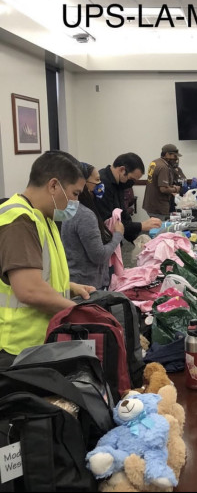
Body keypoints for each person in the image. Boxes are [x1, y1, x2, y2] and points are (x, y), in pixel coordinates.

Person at [0, 150, 96, 371]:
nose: (76, 201)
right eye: (74, 193)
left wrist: (68, 287)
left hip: (39, 342)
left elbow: (36, 274)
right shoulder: (18, 221)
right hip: (17, 350)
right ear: (53, 186)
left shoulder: (43, 217)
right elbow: (29, 290)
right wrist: (78, 313)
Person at [61, 162, 125, 290]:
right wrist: (118, 235)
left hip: (74, 279)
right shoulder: (85, 215)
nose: (100, 184)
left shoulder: (70, 209)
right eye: (96, 180)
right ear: (82, 183)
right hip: (88, 286)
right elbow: (99, 256)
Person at [95, 152, 161, 243]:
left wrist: (137, 240)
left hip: (114, 239)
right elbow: (109, 223)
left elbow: (123, 215)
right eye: (132, 179)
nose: (131, 183)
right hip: (102, 239)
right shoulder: (102, 184)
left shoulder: (119, 183)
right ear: (122, 170)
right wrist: (141, 225)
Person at [142, 144, 184, 220]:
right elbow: (163, 189)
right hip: (159, 206)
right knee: (161, 229)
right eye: (174, 156)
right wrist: (175, 189)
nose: (176, 158)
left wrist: (171, 187)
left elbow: (156, 182)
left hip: (150, 204)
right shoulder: (164, 167)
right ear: (167, 154)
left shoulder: (155, 162)